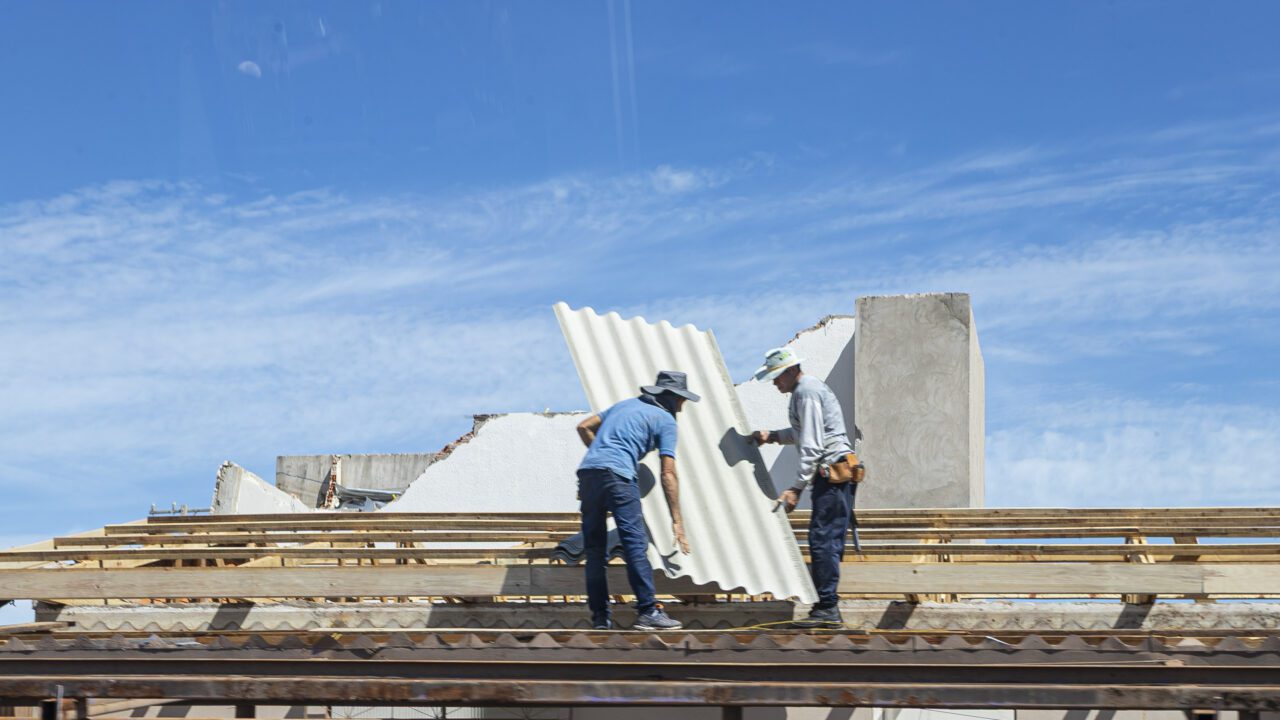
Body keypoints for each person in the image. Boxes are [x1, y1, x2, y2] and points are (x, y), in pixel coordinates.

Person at [575, 370, 699, 631]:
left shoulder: (625, 405)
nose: (682, 407)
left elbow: (583, 426)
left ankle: (600, 619)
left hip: (588, 474)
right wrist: (677, 521)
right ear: (675, 399)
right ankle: (648, 611)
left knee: (595, 552)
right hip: (618, 478)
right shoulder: (666, 420)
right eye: (682, 401)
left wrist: (601, 454)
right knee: (635, 545)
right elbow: (668, 473)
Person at [749, 347, 855, 628]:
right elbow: (803, 433)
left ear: (792, 370)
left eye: (777, 376)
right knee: (827, 540)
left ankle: (828, 607)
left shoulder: (805, 392)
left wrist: (796, 487)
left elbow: (812, 445)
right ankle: (826, 605)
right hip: (835, 473)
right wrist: (772, 436)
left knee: (823, 540)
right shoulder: (806, 390)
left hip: (831, 474)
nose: (775, 382)